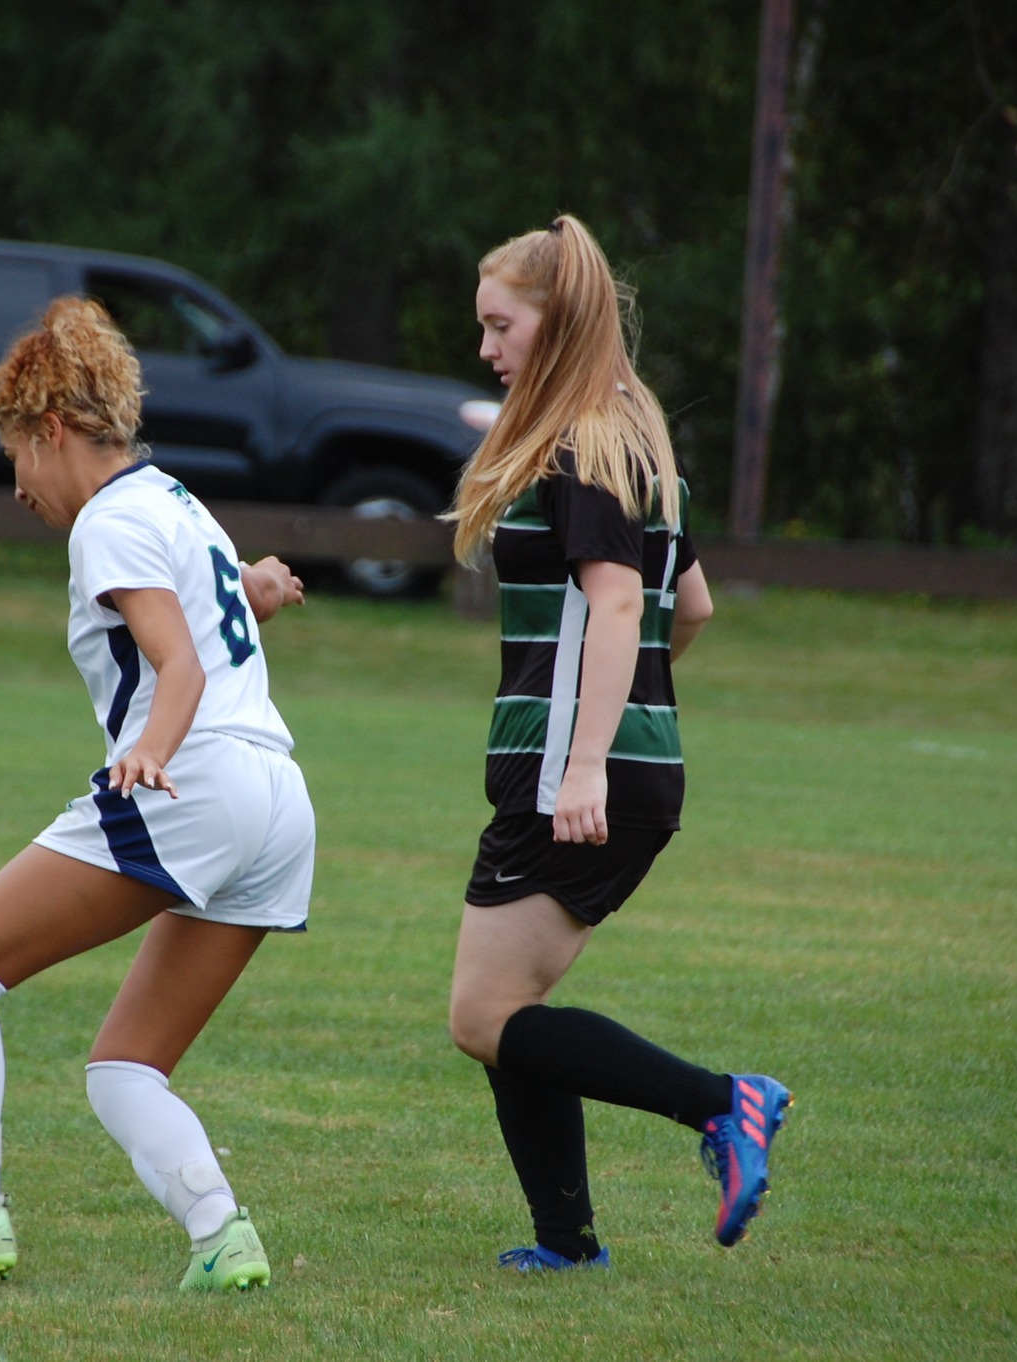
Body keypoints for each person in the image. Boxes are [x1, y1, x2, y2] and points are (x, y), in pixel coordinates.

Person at [0, 297, 313, 1293]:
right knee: (124, 1067)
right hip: (277, 800)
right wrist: (256, 592)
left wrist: (147, 750)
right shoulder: (174, 499)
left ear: (50, 431)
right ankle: (223, 1239)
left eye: (14, 453)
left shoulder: (107, 519)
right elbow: (213, 621)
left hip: (192, 780)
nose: (16, 486)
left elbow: (176, 665)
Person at [445, 215, 791, 1272]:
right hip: (622, 766)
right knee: (511, 1009)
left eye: (500, 325)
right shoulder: (633, 431)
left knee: (482, 1014)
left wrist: (587, 754)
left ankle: (721, 1103)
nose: (486, 347)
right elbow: (689, 609)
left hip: (569, 774)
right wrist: (626, 717)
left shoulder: (578, 441)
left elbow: (612, 600)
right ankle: (566, 1242)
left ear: (556, 319)